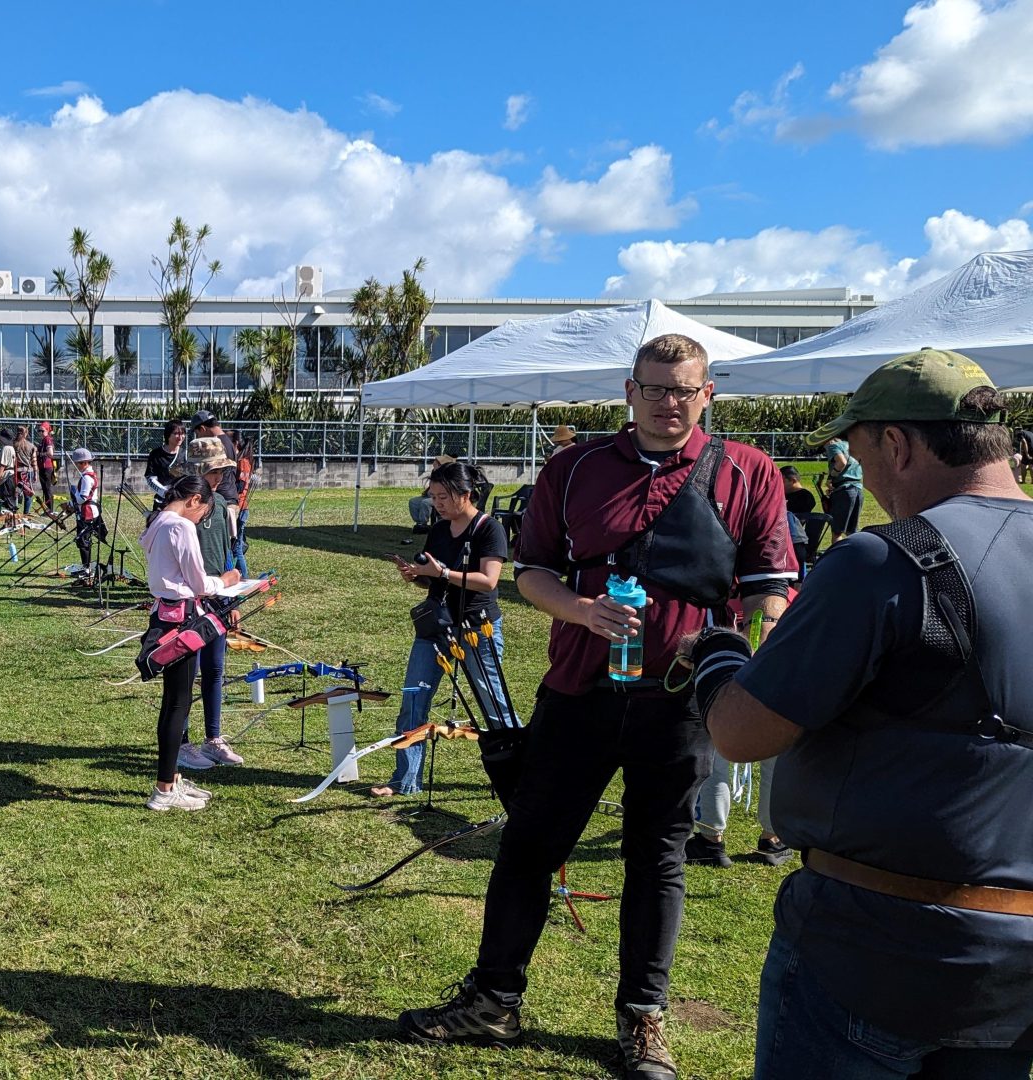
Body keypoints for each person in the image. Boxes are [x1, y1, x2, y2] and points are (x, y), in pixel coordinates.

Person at [396, 334, 797, 1080]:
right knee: (528, 848)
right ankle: (493, 1000)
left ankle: (643, 1021)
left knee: (659, 857)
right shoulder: (572, 467)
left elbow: (768, 585)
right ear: (629, 390)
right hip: (579, 690)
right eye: (655, 388)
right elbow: (532, 573)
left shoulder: (749, 471)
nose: (669, 403)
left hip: (680, 703)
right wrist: (580, 611)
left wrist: (745, 649)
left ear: (709, 393)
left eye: (685, 389)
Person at [697, 349, 1033, 1079]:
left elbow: (742, 732)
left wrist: (718, 658)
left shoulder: (887, 561)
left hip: (873, 949)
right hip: (1015, 975)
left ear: (896, 443)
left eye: (854, 450)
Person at [372, 460, 515, 797]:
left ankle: (520, 773)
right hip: (434, 627)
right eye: (433, 496)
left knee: (493, 703)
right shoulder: (438, 530)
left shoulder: (488, 529)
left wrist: (444, 574)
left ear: (465, 494)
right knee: (413, 698)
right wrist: (417, 576)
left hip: (475, 630)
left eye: (442, 497)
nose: (436, 503)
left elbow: (488, 581)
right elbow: (432, 578)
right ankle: (404, 780)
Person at [139, 474, 242, 812]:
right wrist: (225, 580)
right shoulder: (180, 526)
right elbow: (198, 581)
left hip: (165, 616)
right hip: (182, 619)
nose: (200, 522)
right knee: (178, 705)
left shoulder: (158, 521)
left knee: (174, 703)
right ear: (195, 500)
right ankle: (164, 788)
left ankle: (169, 780)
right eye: (202, 515)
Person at [172, 438, 246, 772]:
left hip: (218, 596)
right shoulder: (181, 508)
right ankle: (182, 742)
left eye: (221, 470)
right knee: (188, 673)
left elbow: (230, 553)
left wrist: (232, 598)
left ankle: (213, 739)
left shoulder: (221, 505)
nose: (220, 477)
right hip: (189, 600)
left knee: (215, 669)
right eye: (215, 470)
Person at [191, 410, 254, 574]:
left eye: (197, 432)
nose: (198, 437)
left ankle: (236, 582)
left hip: (223, 501)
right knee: (231, 548)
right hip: (228, 499)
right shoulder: (226, 439)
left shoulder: (217, 443)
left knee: (228, 550)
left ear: (202, 428)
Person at [823, 426, 864, 548]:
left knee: (837, 531)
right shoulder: (852, 446)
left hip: (844, 490)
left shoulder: (833, 445)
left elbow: (841, 462)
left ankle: (837, 560)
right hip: (857, 489)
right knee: (852, 531)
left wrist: (831, 477)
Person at [69, 447, 107, 580]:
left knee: (83, 540)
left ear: (84, 462)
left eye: (77, 463)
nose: (76, 466)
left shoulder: (86, 478)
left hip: (88, 512)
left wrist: (74, 496)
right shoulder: (88, 475)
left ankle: (87, 569)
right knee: (83, 540)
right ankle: (87, 567)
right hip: (87, 511)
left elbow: (83, 498)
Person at [145, 419, 185, 496]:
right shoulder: (155, 454)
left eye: (182, 433)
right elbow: (150, 478)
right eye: (176, 433)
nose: (180, 437)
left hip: (181, 499)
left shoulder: (186, 454)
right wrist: (164, 492)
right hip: (162, 500)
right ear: (168, 435)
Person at [12, 426, 39, 515]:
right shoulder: (31, 446)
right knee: (28, 494)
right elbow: (34, 461)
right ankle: (26, 514)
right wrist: (35, 473)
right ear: (26, 433)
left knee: (15, 493)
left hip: (16, 472)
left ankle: (14, 513)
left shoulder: (13, 444)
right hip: (27, 472)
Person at [36, 421, 58, 514]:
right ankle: (47, 509)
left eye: (42, 430)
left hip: (46, 467)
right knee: (45, 489)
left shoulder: (47, 439)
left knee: (47, 488)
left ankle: (50, 510)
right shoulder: (44, 439)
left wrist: (40, 454)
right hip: (42, 467)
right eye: (39, 430)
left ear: (47, 430)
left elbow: (50, 453)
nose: (40, 432)